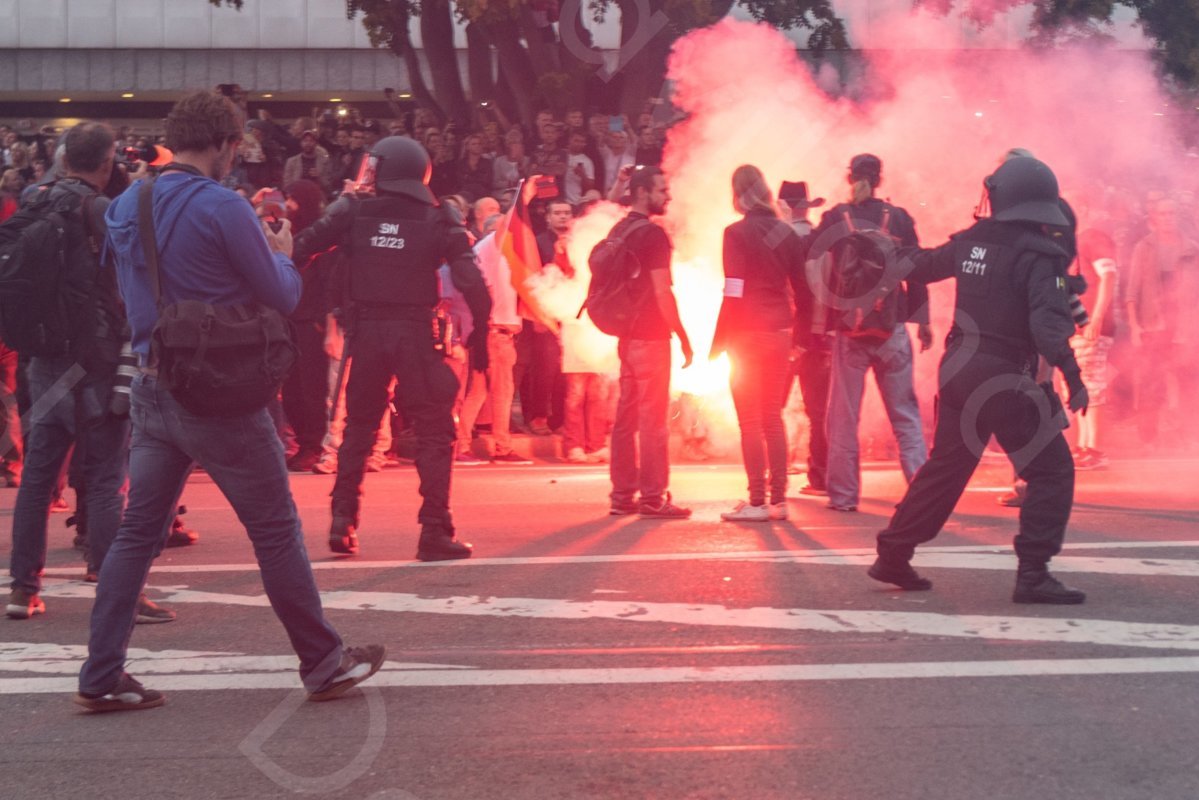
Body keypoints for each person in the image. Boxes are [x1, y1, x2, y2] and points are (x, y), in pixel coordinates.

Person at [77, 91, 385, 712]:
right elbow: (283, 294)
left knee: (138, 534)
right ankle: (323, 661)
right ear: (222, 144)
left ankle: (101, 674)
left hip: (150, 384)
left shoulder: (122, 206)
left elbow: (120, 284)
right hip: (219, 392)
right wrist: (283, 250)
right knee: (274, 530)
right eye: (234, 149)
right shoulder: (222, 206)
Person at [868, 156, 1088, 605]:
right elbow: (1048, 326)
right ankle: (1033, 574)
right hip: (1007, 378)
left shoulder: (972, 240)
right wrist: (1072, 372)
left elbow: (923, 266)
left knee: (945, 468)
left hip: (959, 371)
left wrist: (880, 251)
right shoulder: (1041, 253)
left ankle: (894, 552)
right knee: (1052, 471)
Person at [293, 135, 491, 560]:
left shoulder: (352, 210)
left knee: (360, 427)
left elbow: (302, 248)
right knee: (436, 430)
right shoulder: (439, 216)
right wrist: (482, 334)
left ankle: (342, 520)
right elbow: (471, 278)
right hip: (414, 333)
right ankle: (434, 530)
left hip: (367, 333)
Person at [6, 122, 172, 624]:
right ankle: (110, 582)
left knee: (38, 479)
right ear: (106, 163)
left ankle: (22, 589)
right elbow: (144, 255)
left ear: (60, 159)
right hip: (96, 361)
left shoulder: (35, 199)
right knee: (105, 477)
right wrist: (146, 180)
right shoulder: (99, 209)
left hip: (43, 361)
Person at [812, 154, 932, 512]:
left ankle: (844, 497)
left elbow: (809, 257)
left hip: (850, 331)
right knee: (905, 416)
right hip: (891, 328)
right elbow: (917, 269)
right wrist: (923, 321)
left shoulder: (836, 218)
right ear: (880, 179)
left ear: (849, 177)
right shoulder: (897, 218)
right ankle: (922, 496)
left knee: (844, 418)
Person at [710, 166, 811, 521]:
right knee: (772, 417)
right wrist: (800, 336)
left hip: (746, 334)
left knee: (750, 420)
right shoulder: (786, 233)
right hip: (780, 332)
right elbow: (803, 289)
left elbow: (733, 290)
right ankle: (780, 501)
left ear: (737, 194)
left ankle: (756, 501)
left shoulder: (735, 233)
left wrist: (718, 341)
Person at [607, 167, 693, 518]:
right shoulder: (653, 235)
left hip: (626, 337)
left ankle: (622, 496)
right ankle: (654, 497)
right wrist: (684, 336)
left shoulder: (620, 229)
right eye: (662, 189)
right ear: (642, 192)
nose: (668, 196)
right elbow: (662, 291)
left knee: (625, 419)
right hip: (651, 336)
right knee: (653, 420)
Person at [777, 180, 830, 492]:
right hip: (819, 335)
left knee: (773, 409)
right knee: (818, 411)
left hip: (785, 333)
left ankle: (777, 476)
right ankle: (820, 476)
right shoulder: (823, 240)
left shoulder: (779, 239)